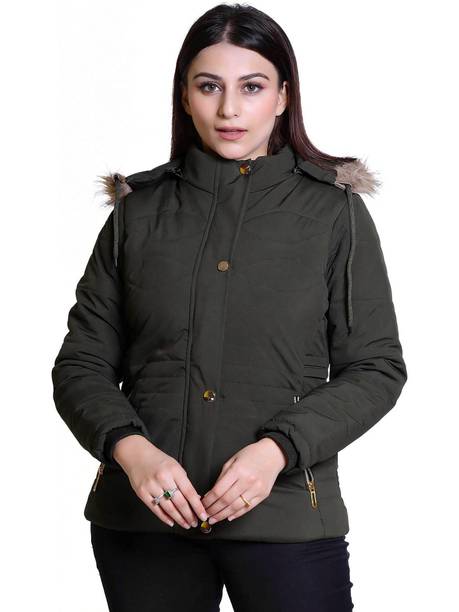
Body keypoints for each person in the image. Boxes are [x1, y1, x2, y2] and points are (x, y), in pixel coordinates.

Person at [52, 3, 408, 611]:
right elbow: (80, 365)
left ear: (283, 97)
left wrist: (278, 450)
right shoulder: (137, 213)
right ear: (184, 96)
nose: (229, 110)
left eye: (252, 87)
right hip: (143, 525)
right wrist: (133, 452)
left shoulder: (334, 214)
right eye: (209, 86)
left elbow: (376, 368)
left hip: (287, 518)